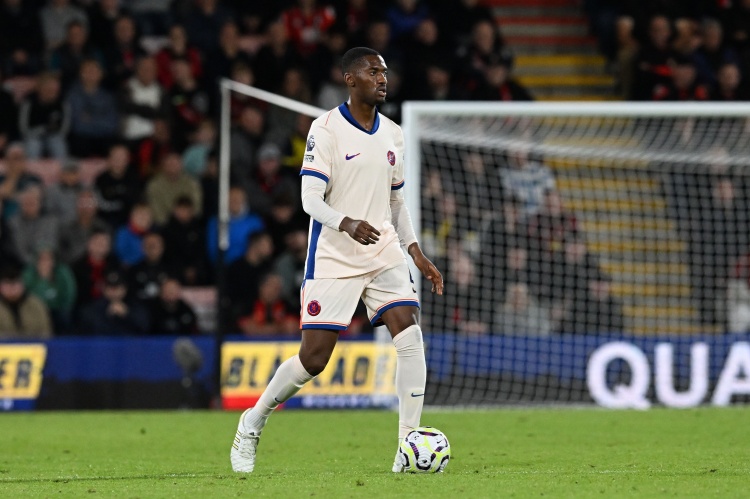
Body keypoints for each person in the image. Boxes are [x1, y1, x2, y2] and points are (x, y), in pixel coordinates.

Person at [230, 47, 444, 474]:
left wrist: (414, 250)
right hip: (334, 255)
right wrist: (346, 223)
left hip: (382, 249)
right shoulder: (325, 129)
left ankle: (407, 445)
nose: (382, 78)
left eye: (384, 72)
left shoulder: (393, 133)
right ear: (350, 79)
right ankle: (252, 421)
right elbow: (310, 200)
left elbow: (396, 200)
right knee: (313, 360)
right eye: (373, 71)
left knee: (410, 335)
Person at [77, 269, 149, 335]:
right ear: (104, 289)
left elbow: (144, 326)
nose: (114, 292)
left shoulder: (134, 305)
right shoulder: (93, 308)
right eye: (110, 287)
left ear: (125, 289)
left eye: (117, 288)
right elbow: (86, 328)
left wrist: (127, 314)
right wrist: (107, 315)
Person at [0, 264, 53, 339]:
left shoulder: (36, 304)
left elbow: (45, 331)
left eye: (15, 284)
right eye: (7, 285)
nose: (12, 289)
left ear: (22, 285)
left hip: (35, 345)